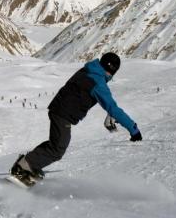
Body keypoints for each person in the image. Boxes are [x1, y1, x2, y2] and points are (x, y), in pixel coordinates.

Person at [10, 52, 142, 186]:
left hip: (58, 108)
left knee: (55, 142)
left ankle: (30, 164)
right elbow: (113, 108)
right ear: (113, 71)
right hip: (63, 114)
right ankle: (24, 167)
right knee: (58, 149)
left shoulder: (90, 69)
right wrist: (133, 129)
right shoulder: (98, 83)